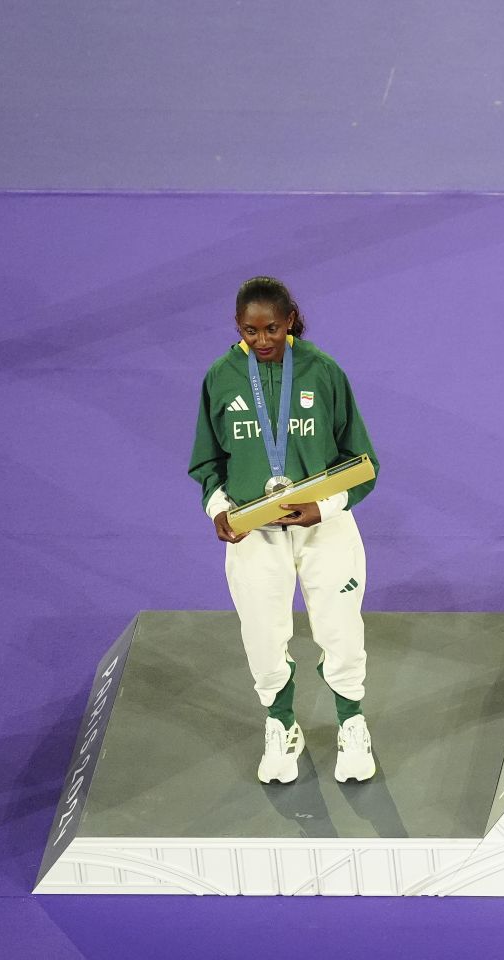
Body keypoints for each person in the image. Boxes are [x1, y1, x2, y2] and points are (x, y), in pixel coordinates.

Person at [188, 277, 381, 784]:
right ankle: (280, 726)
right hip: (256, 533)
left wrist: (326, 506)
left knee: (341, 629)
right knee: (262, 635)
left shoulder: (323, 371)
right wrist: (218, 510)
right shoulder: (221, 378)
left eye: (271, 327)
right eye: (250, 331)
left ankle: (351, 724)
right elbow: (207, 461)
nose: (262, 339)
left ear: (290, 318)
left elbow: (362, 461)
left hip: (324, 527)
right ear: (238, 328)